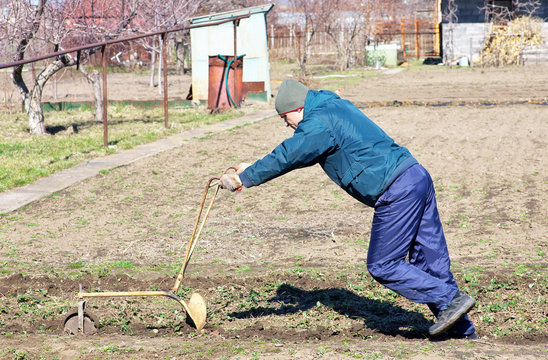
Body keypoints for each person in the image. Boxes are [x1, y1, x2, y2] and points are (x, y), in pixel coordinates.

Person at [219, 78, 477, 339]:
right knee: (431, 263)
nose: (287, 124)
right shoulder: (332, 107)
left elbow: (290, 154)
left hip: (395, 190)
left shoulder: (317, 122)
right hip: (415, 175)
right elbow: (303, 150)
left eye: (286, 118)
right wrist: (252, 167)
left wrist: (246, 177)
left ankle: (451, 298)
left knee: (384, 264)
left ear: (297, 109)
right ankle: (464, 333)